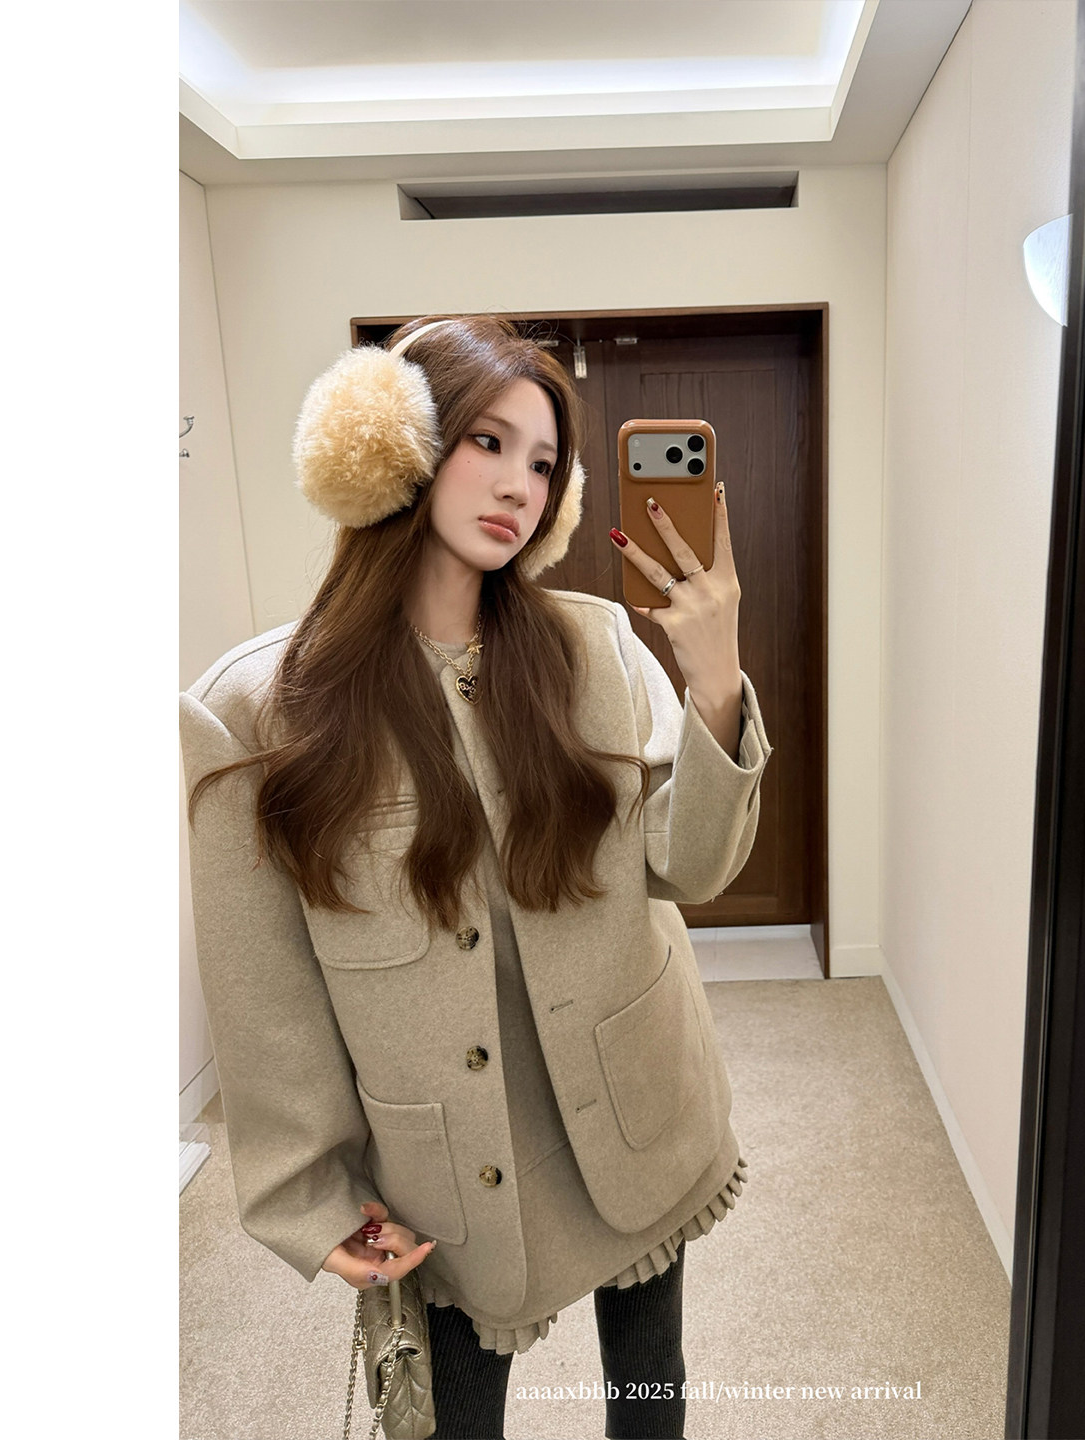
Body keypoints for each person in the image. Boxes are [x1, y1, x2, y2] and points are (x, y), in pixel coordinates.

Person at [180, 313, 775, 1438]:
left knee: (652, 1393)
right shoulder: (254, 711)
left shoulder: (596, 647)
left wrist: (714, 680)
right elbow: (266, 995)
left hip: (638, 1101)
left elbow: (691, 867)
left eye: (544, 464)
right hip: (450, 1164)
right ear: (390, 447)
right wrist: (312, 1195)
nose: (519, 486)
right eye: (487, 443)